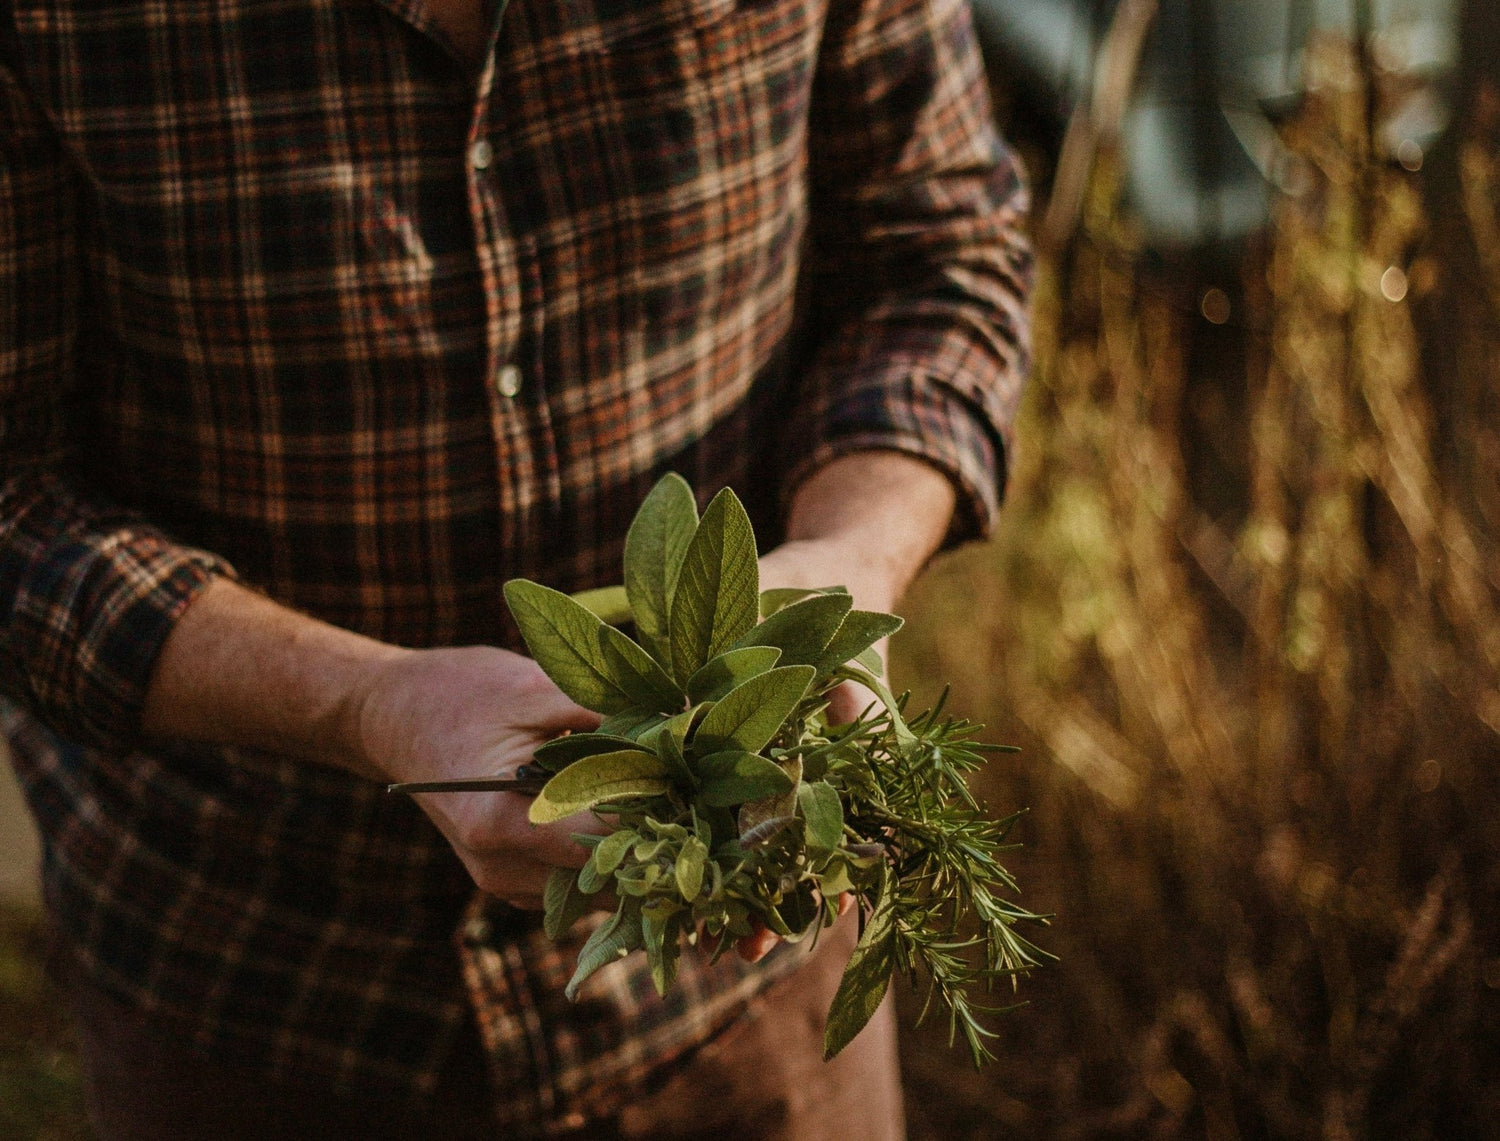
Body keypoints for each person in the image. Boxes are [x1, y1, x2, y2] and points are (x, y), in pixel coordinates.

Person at [0, 0, 1031, 1135]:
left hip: (743, 962)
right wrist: (369, 703)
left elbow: (938, 252)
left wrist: (848, 564)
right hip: (262, 983)